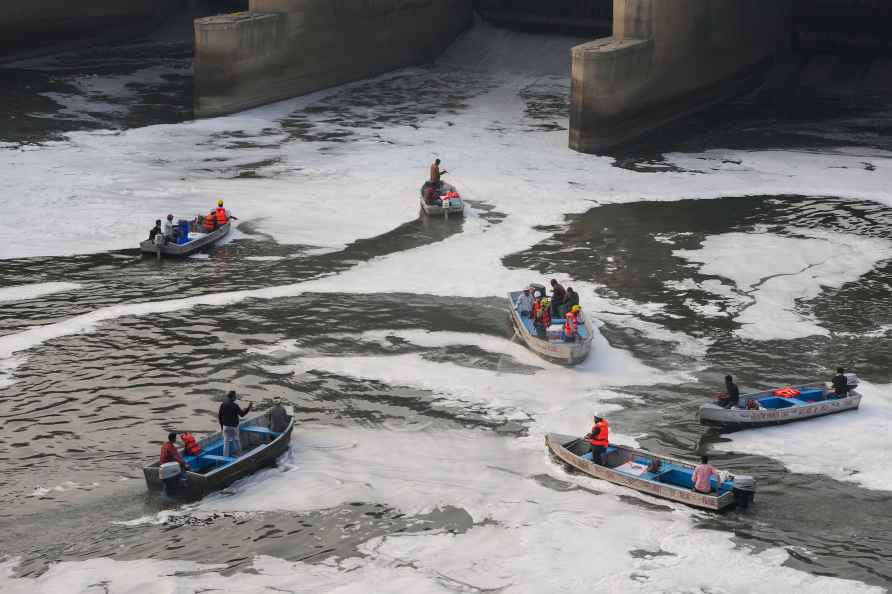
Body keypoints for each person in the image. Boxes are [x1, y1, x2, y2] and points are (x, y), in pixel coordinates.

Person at [218, 390, 253, 458]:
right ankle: (240, 456)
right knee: (237, 440)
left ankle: (225, 457)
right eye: (235, 396)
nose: (236, 397)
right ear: (232, 397)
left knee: (226, 442)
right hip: (234, 427)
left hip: (225, 426)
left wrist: (222, 427)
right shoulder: (235, 406)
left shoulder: (223, 404)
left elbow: (219, 416)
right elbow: (242, 414)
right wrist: (249, 407)